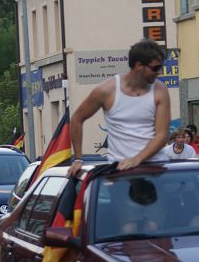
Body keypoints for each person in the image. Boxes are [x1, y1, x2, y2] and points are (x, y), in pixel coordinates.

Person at [68, 40, 171, 176]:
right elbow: (77, 118)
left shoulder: (160, 90)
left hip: (155, 166)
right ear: (139, 65)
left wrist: (137, 159)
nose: (159, 73)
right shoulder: (106, 91)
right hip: (120, 170)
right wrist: (78, 159)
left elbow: (162, 134)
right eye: (155, 68)